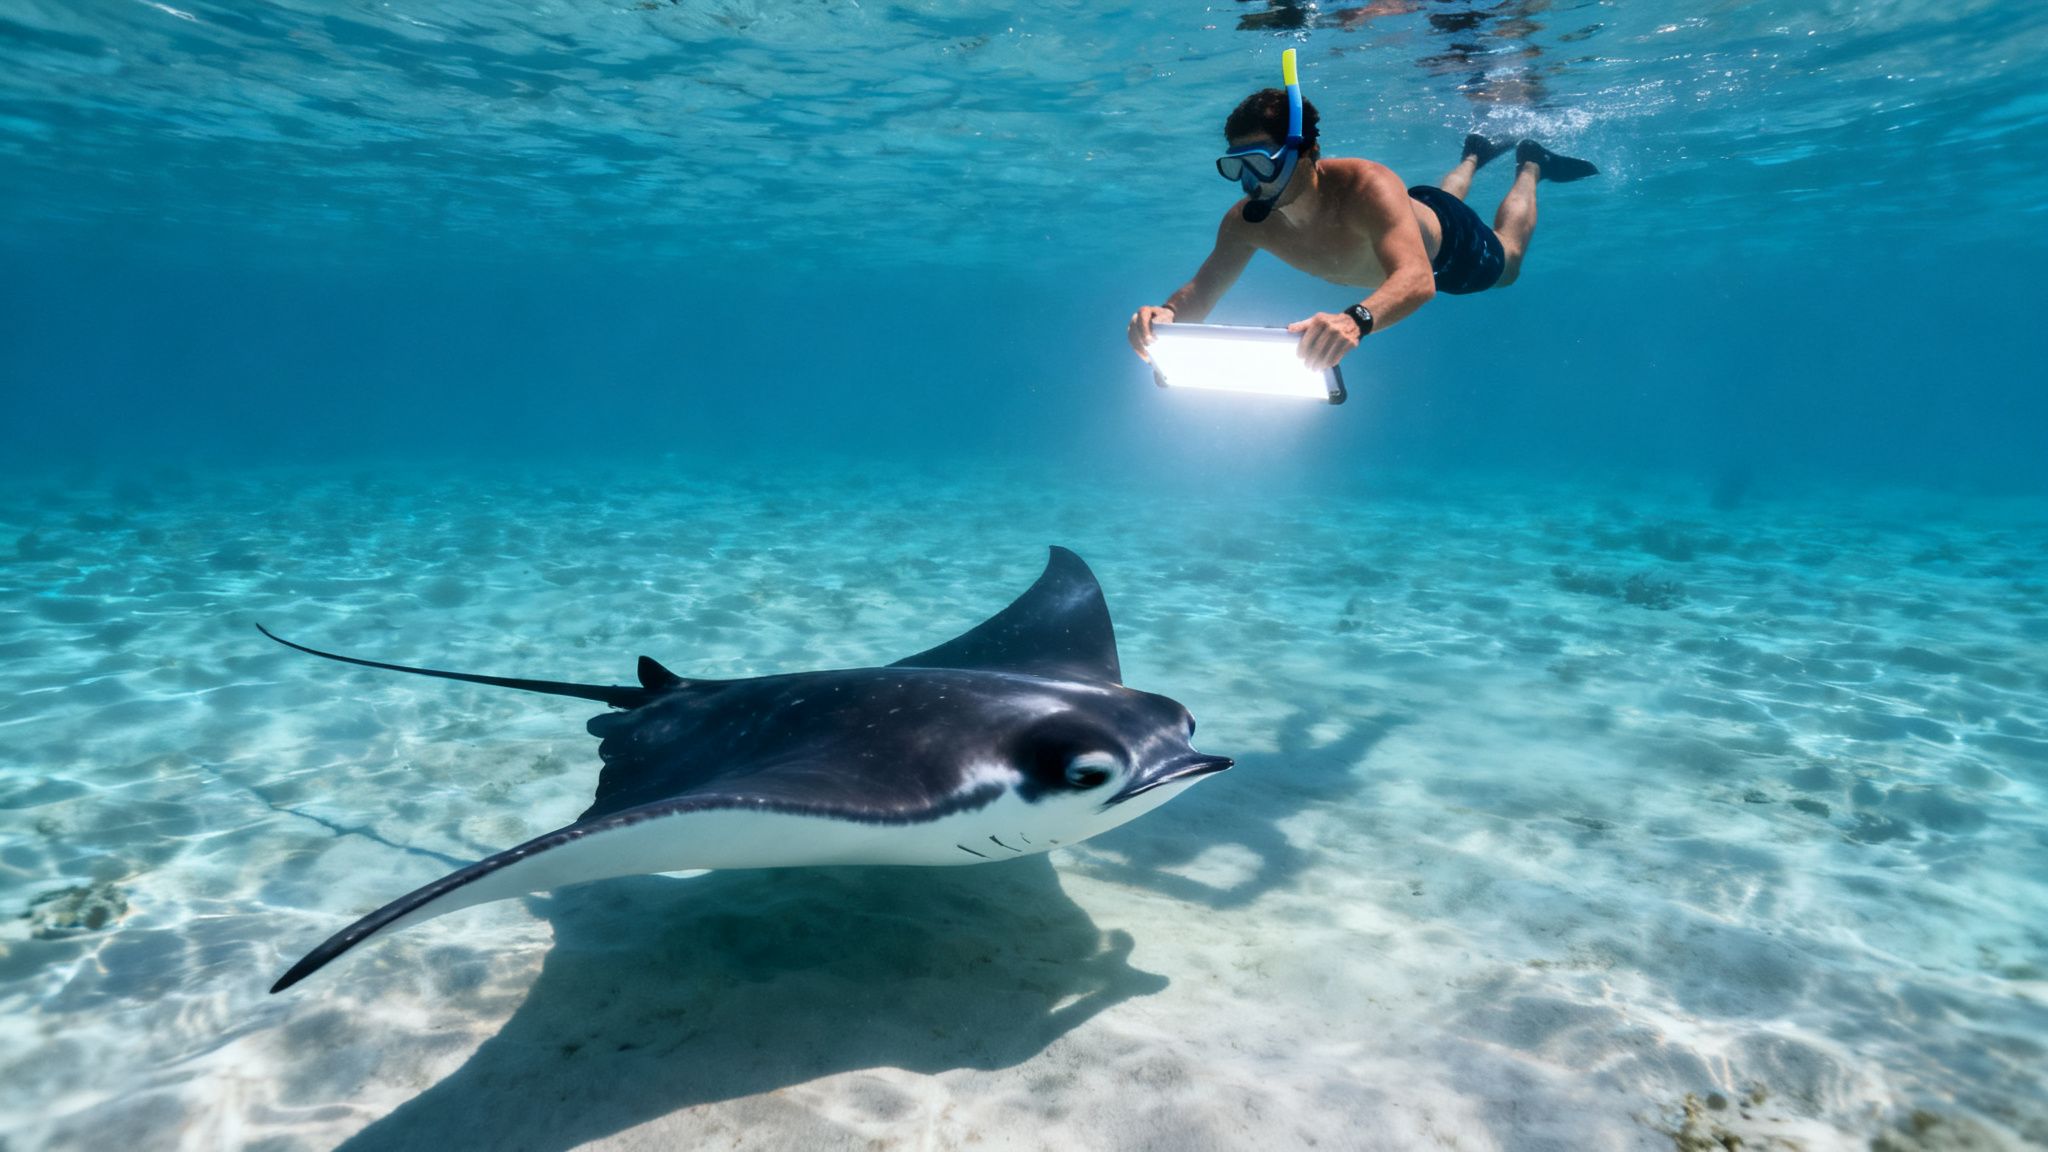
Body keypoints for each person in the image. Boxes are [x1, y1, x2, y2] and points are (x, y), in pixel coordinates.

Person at [1127, 81, 1597, 373]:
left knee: (1509, 260)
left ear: (1309, 154)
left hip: (1447, 246)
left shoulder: (1367, 185)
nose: (1250, 184)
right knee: (1440, 198)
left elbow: (1416, 279)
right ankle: (1474, 152)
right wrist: (1167, 314)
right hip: (1412, 211)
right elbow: (1200, 292)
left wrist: (1357, 320)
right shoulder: (1247, 223)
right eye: (1237, 168)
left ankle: (1531, 162)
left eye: (1261, 164)